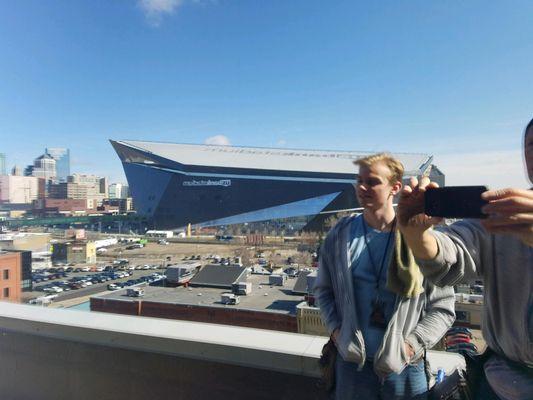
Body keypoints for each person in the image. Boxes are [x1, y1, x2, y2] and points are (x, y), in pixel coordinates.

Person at [397, 118, 533, 400]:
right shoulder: (505, 216)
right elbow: (452, 255)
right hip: (503, 385)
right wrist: (416, 234)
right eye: (532, 145)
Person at [315, 153, 455, 400]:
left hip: (405, 369)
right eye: (359, 180)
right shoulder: (340, 235)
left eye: (372, 182)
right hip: (351, 367)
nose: (362, 187)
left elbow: (443, 307)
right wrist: (338, 332)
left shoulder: (419, 237)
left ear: (395, 188)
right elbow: (323, 290)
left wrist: (411, 346)